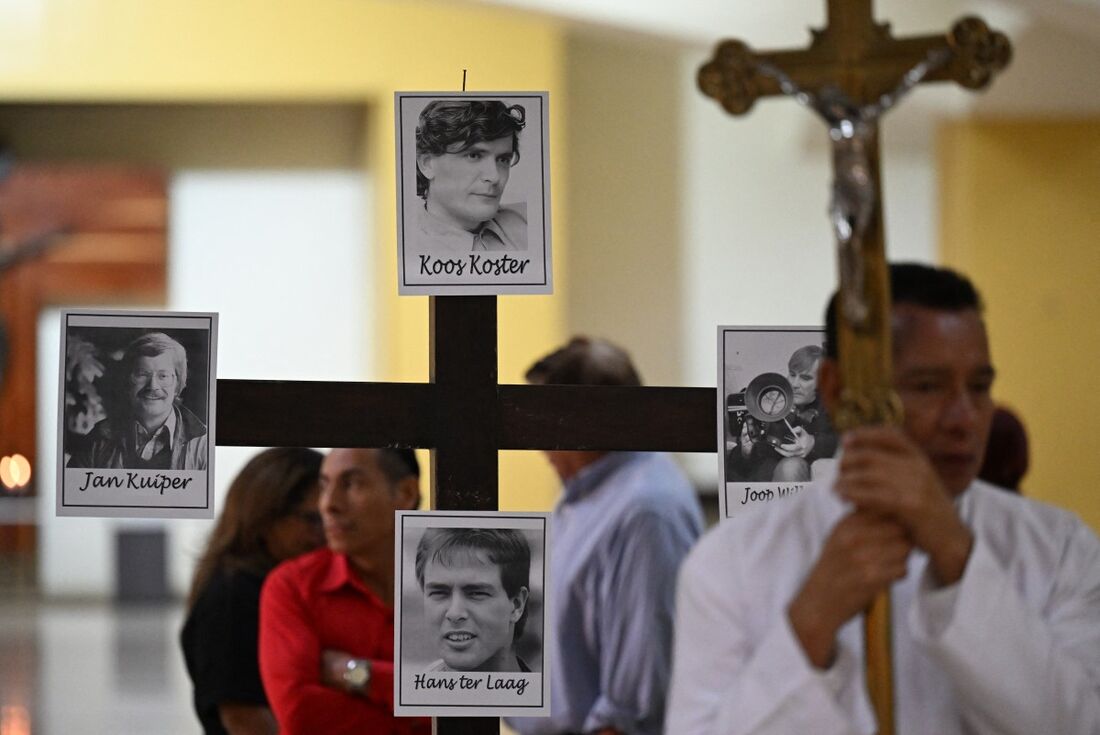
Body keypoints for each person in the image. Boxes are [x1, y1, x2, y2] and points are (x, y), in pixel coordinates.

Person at [667, 263, 1100, 734]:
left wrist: (955, 551)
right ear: (835, 389)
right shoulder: (729, 563)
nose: (964, 419)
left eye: (979, 387)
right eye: (927, 387)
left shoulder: (1059, 549)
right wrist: (811, 623)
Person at [508, 337, 704, 735]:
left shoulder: (645, 511)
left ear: (583, 420)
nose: (539, 446)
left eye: (544, 424)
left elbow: (636, 705)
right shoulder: (585, 496)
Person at [258, 448, 430, 735]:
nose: (328, 504)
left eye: (351, 484)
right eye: (324, 485)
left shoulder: (459, 583)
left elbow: (473, 702)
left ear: (406, 493)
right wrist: (420, 708)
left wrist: (358, 673)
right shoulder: (293, 586)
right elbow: (300, 714)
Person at [181, 447, 324, 735]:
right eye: (311, 520)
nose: (323, 534)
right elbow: (244, 718)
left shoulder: (283, 582)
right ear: (264, 518)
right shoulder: (234, 595)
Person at [67, 331, 207, 469]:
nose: (153, 386)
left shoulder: (204, 445)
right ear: (127, 381)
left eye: (163, 376)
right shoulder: (98, 439)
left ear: (178, 384)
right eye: (142, 374)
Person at [408, 99, 528, 255]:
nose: (495, 176)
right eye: (474, 155)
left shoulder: (530, 222)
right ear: (427, 164)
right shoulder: (403, 245)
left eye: (503, 159)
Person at [415, 527, 532, 672]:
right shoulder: (405, 685)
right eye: (439, 593)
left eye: (476, 593)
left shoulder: (552, 685)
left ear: (517, 605)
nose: (455, 613)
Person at [727, 344, 839, 482]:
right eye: (792, 374)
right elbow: (734, 466)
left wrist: (813, 443)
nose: (794, 384)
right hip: (759, 483)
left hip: (795, 476)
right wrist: (745, 452)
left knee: (791, 467)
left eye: (805, 378)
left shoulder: (830, 406)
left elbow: (841, 440)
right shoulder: (770, 398)